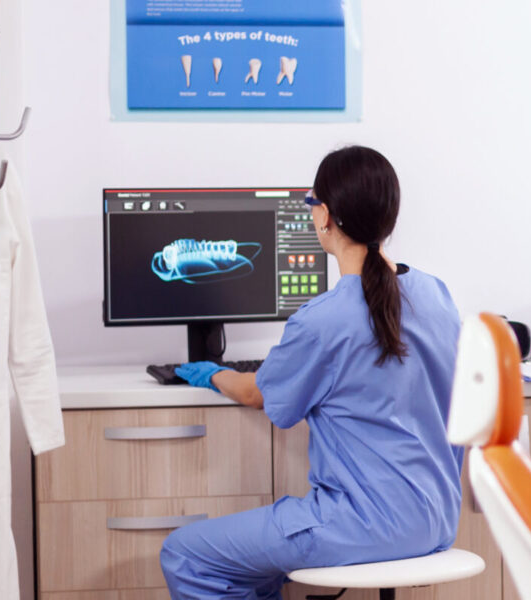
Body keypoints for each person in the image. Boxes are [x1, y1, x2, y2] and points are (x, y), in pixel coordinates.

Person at [159, 146, 464, 599]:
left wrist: (209, 373)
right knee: (254, 565)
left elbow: (255, 394)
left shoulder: (323, 320)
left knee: (185, 553)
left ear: (325, 216)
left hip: (359, 527)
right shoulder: (436, 295)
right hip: (438, 521)